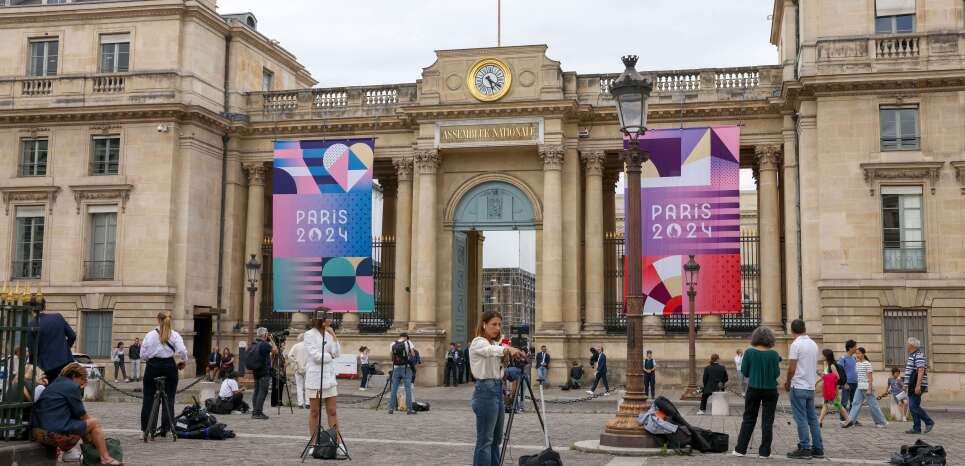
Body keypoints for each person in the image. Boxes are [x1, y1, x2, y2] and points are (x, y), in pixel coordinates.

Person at [31, 363, 122, 465]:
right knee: (94, 423)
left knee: (82, 425)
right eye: (83, 379)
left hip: (38, 431)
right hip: (53, 433)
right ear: (74, 376)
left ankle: (92, 457)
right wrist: (100, 435)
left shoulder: (54, 384)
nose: (83, 383)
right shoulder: (71, 387)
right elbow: (83, 415)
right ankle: (105, 458)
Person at [470, 310, 525, 466]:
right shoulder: (478, 342)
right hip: (485, 392)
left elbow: (498, 359)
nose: (497, 327)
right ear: (484, 324)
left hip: (496, 390)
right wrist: (507, 349)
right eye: (494, 324)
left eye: (500, 324)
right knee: (485, 440)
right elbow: (490, 351)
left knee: (496, 439)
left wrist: (508, 363)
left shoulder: (495, 343)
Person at [733, 326, 781, 459]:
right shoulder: (774, 354)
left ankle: (741, 449)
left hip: (753, 388)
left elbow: (745, 372)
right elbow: (776, 374)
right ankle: (765, 452)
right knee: (768, 420)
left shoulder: (749, 352)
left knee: (748, 419)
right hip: (770, 390)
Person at [139, 312, 188, 437]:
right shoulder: (175, 335)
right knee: (169, 398)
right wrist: (183, 361)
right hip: (169, 367)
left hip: (152, 367)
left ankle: (146, 429)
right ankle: (165, 429)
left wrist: (150, 357)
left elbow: (142, 355)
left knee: (148, 399)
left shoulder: (150, 335)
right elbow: (182, 351)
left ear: (158, 320)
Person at [785, 319, 824, 460]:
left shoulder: (796, 344)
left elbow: (792, 368)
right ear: (804, 328)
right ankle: (818, 448)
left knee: (800, 418)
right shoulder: (813, 344)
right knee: (813, 418)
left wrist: (787, 381)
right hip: (810, 385)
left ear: (792, 330)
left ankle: (805, 447)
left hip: (798, 385)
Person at [304, 313, 341, 440]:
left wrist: (334, 336)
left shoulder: (330, 334)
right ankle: (314, 442)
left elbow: (337, 353)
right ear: (321, 319)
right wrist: (330, 356)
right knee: (315, 412)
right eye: (328, 317)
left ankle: (337, 442)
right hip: (315, 378)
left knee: (332, 411)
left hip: (329, 378)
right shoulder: (309, 334)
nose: (331, 320)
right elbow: (316, 357)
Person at [26, 308, 76, 384]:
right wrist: (65, 349)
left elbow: (32, 350)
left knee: (51, 392)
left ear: (31, 309)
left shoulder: (31, 324)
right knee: (67, 388)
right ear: (45, 306)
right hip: (65, 361)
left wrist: (32, 365)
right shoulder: (58, 317)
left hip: (46, 367)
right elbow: (72, 336)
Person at [842, 347, 887, 429]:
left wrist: (869, 389)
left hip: (867, 388)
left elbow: (870, 378)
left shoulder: (867, 364)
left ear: (863, 354)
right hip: (859, 387)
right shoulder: (857, 364)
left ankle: (881, 422)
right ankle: (850, 421)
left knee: (873, 405)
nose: (857, 355)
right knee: (855, 404)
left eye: (859, 353)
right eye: (856, 353)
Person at [903, 337, 933, 434]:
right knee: (914, 405)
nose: (906, 345)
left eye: (907, 344)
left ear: (912, 345)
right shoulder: (912, 355)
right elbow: (909, 372)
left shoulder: (918, 355)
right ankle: (916, 428)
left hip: (917, 384)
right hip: (912, 384)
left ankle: (929, 422)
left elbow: (921, 370)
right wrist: (905, 384)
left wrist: (918, 386)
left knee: (913, 406)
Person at [249, 327, 277, 419]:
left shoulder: (254, 343)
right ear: (265, 335)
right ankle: (258, 412)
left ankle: (255, 411)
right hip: (264, 372)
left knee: (256, 391)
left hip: (256, 371)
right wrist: (272, 340)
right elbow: (275, 350)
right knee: (262, 392)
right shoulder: (264, 344)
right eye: (267, 334)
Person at [818, 349, 851, 428]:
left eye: (823, 355)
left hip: (833, 389)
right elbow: (827, 377)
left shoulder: (832, 366)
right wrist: (821, 376)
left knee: (831, 404)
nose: (821, 356)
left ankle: (819, 421)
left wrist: (822, 375)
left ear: (826, 356)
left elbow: (837, 377)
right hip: (829, 388)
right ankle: (819, 421)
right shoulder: (828, 365)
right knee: (832, 404)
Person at [387, 333, 416, 415]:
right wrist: (408, 355)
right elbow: (413, 355)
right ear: (406, 337)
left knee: (394, 389)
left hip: (396, 368)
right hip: (406, 368)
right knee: (408, 389)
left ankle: (391, 408)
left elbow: (391, 357)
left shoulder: (393, 343)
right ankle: (409, 409)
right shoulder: (408, 343)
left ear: (399, 337)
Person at [286, 335, 308, 407]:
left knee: (299, 386)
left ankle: (300, 403)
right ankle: (308, 403)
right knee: (307, 386)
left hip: (298, 368)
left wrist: (295, 361)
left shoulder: (296, 346)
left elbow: (289, 355)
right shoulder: (309, 346)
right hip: (307, 368)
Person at [838, 339, 858, 415]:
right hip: (847, 383)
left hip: (855, 383)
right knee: (844, 402)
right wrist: (845, 383)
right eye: (855, 346)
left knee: (854, 402)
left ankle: (852, 419)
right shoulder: (843, 358)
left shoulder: (854, 358)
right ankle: (843, 419)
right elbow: (840, 371)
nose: (856, 348)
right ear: (850, 348)